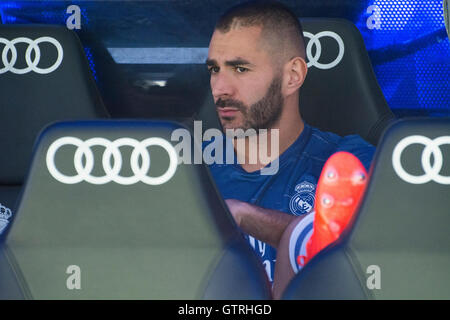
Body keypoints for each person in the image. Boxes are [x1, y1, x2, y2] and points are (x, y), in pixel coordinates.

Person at [204, 1, 375, 286]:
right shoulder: (187, 170)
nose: (220, 88)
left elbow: (372, 261)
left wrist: (246, 216)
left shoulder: (349, 164)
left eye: (240, 69)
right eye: (214, 69)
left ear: (292, 76)